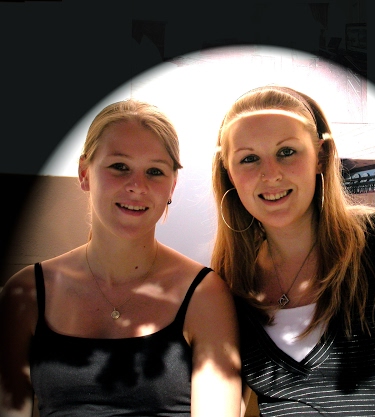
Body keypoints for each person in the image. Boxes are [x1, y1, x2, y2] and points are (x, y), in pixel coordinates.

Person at [211, 85, 375, 417]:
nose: (270, 174)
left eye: (287, 151)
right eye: (249, 158)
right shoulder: (231, 281)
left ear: (321, 157)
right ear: (230, 173)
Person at [0, 99, 241, 417]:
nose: (137, 186)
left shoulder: (205, 294)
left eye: (154, 171)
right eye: (120, 167)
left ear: (172, 186)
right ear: (84, 173)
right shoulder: (25, 293)